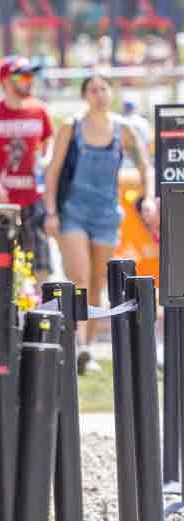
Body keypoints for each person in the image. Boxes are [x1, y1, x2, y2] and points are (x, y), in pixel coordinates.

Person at [44, 73, 155, 373]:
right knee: (79, 278)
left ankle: (87, 350)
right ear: (85, 95)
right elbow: (52, 171)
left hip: (107, 214)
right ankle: (76, 344)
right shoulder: (72, 127)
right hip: (73, 212)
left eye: (104, 89)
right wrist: (51, 211)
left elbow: (146, 165)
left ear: (112, 93)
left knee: (97, 283)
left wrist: (149, 198)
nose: (99, 94)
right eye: (93, 90)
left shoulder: (124, 129)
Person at [0, 56, 52, 268]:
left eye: (31, 75)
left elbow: (48, 142)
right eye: (24, 75)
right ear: (6, 81)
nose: (30, 80)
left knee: (41, 269)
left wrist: (45, 161)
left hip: (32, 203)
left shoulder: (40, 111)